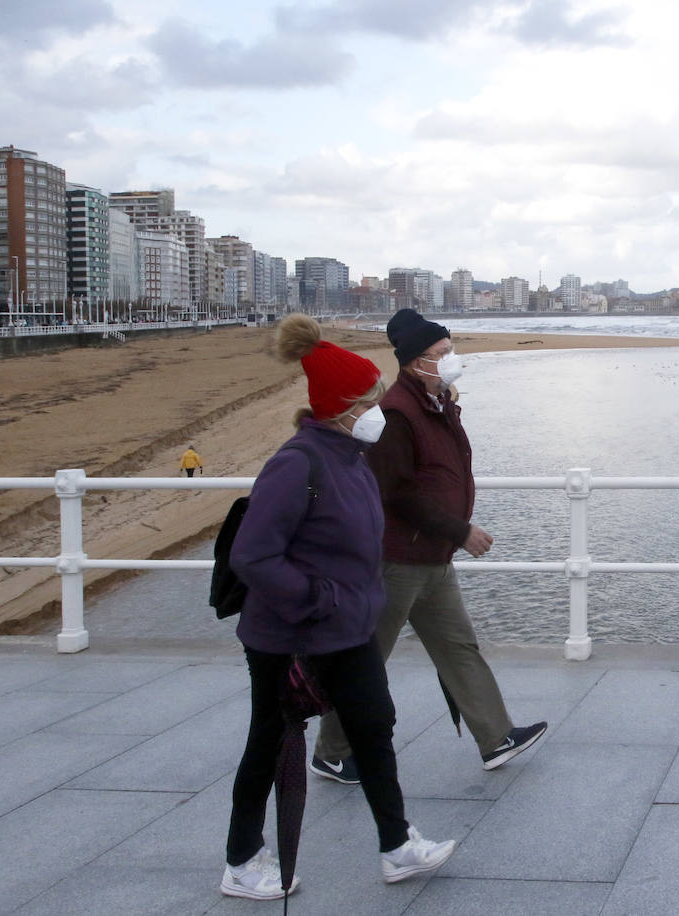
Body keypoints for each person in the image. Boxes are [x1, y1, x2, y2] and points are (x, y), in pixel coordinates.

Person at [221, 314, 455, 902]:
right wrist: (316, 598)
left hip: (347, 630)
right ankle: (242, 861)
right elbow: (254, 556)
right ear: (342, 406)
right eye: (370, 399)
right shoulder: (296, 464)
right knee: (269, 743)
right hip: (287, 638)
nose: (378, 408)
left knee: (374, 728)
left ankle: (398, 846)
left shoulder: (350, 458)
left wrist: (355, 599)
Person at [311, 309, 546, 784]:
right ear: (416, 361)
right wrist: (460, 531)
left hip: (433, 559)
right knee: (366, 660)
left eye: (450, 350)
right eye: (442, 354)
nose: (451, 358)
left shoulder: (433, 403)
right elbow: (396, 492)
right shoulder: (397, 412)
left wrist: (446, 401)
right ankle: (333, 751)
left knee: (459, 648)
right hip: (395, 561)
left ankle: (495, 736)